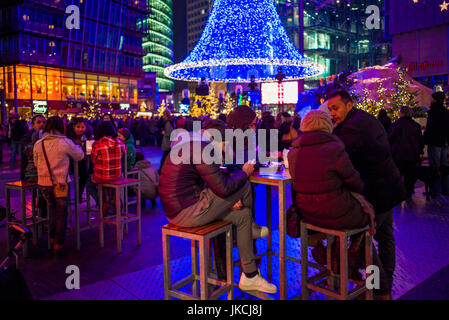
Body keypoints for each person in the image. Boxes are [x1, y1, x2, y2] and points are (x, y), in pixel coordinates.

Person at [158, 119, 276, 294]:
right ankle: (251, 227)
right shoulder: (202, 148)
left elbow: (209, 184)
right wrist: (244, 173)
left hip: (178, 209)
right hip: (187, 211)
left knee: (242, 215)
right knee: (243, 184)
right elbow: (223, 188)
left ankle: (250, 275)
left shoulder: (190, 143)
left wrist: (226, 202)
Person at [288, 110, 382, 282]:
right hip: (336, 212)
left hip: (308, 213)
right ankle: (349, 265)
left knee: (343, 216)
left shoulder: (293, 152)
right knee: (368, 218)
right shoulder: (334, 148)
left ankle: (332, 257)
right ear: (327, 126)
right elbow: (354, 181)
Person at [328, 90, 406, 299]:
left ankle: (378, 289)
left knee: (364, 243)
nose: (332, 113)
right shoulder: (364, 119)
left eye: (335, 108)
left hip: (375, 193)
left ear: (349, 105)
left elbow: (342, 159)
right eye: (330, 110)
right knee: (385, 237)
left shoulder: (351, 129)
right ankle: (383, 282)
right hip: (388, 187)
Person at [33, 116, 84, 255]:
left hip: (44, 183)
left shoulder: (39, 143)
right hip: (60, 183)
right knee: (61, 213)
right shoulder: (65, 142)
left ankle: (50, 238)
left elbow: (36, 163)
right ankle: (58, 243)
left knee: (51, 210)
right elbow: (80, 156)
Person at [86, 121, 127, 216]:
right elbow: (124, 152)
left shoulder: (97, 144)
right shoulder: (120, 142)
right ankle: (116, 201)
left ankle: (102, 202)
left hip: (102, 177)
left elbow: (94, 161)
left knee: (89, 184)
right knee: (110, 183)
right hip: (117, 176)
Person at [389, 106, 424, 199]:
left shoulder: (395, 125)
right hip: (412, 154)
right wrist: (420, 151)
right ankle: (408, 192)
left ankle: (398, 192)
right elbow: (420, 140)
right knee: (410, 175)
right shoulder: (416, 126)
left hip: (398, 154)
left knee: (397, 174)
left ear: (401, 113)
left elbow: (390, 138)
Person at [423, 91, 449, 197]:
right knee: (445, 166)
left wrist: (425, 139)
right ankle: (446, 189)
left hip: (435, 142)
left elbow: (431, 127)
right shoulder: (446, 112)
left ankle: (435, 190)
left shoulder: (433, 112)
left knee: (435, 166)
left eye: (432, 98)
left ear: (435, 99)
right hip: (445, 142)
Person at [66, 117, 90, 200]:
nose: (80, 129)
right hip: (70, 162)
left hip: (82, 160)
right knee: (84, 174)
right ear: (73, 127)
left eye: (83, 127)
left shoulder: (85, 136)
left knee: (86, 174)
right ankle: (74, 196)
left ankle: (79, 195)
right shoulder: (68, 138)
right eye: (78, 127)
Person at [21, 115, 46, 182]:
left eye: (44, 122)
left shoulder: (48, 136)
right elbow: (25, 158)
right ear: (33, 125)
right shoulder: (27, 137)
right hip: (32, 172)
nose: (42, 124)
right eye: (39, 122)